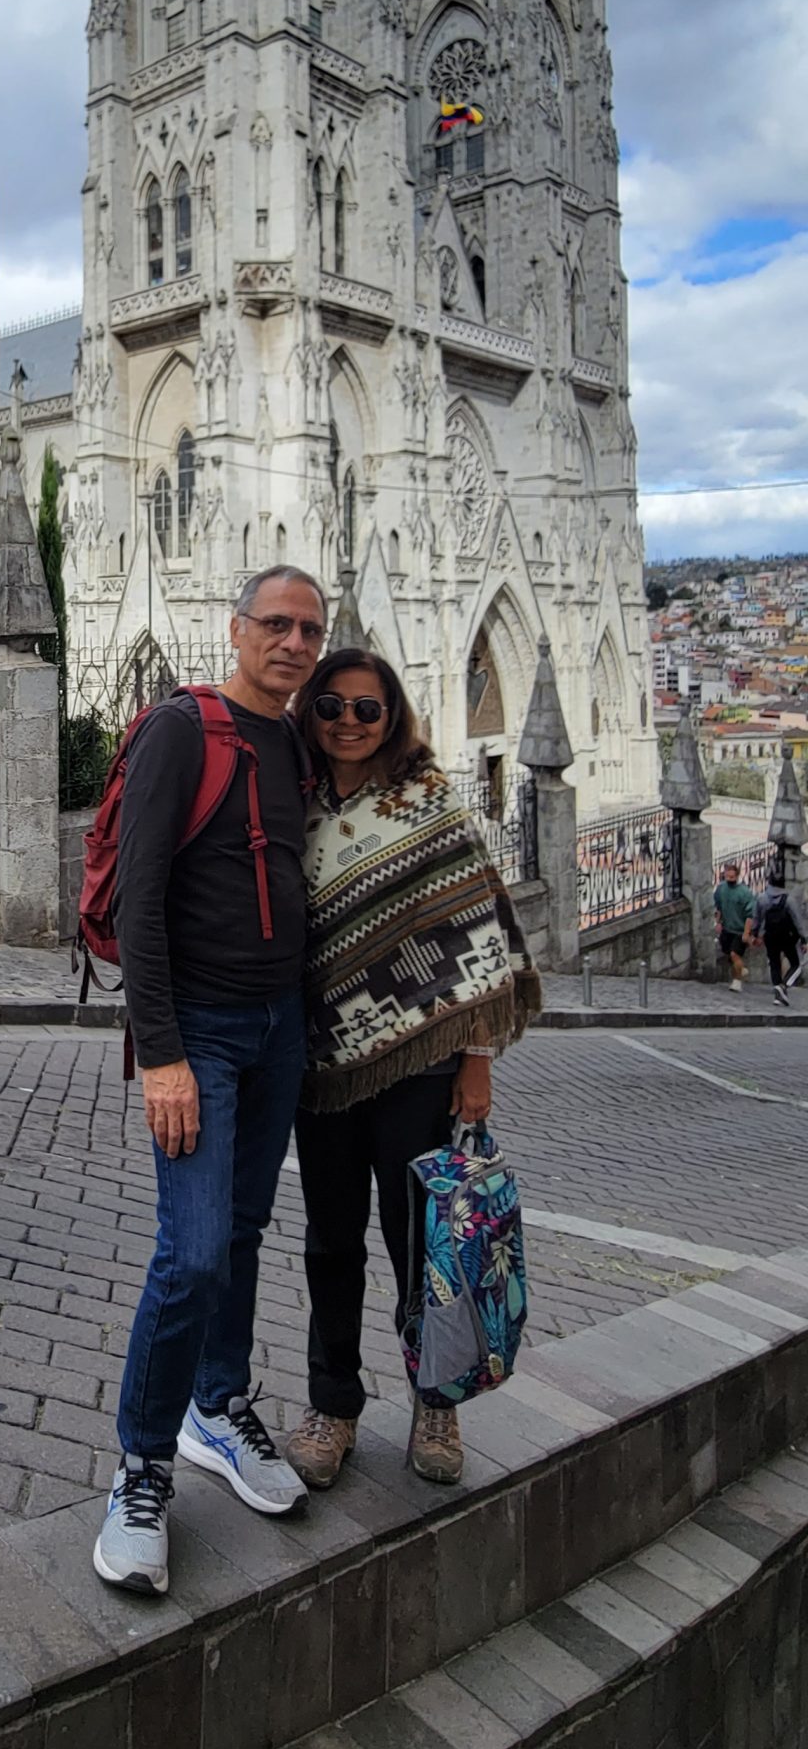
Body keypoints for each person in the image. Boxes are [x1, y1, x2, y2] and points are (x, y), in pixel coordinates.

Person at [93, 567, 324, 1596]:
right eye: (275, 624)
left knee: (237, 1235)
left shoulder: (294, 740)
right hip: (205, 1035)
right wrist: (164, 1052)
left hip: (280, 1031)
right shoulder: (184, 728)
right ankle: (140, 1465)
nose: (292, 642)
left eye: (309, 629)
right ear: (236, 631)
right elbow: (140, 898)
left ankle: (217, 1407)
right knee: (187, 1256)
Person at [284, 647, 541, 1491]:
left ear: (393, 716)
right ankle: (334, 1405)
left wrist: (476, 1063)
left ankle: (437, 1400)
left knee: (418, 1242)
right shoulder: (290, 800)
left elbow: (481, 931)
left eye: (368, 709)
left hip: (422, 1065)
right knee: (331, 1242)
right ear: (309, 712)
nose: (349, 724)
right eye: (332, 707)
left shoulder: (427, 799)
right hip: (322, 1063)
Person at [748, 863, 808, 1008]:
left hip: (770, 936)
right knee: (796, 965)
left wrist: (755, 935)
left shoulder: (762, 898)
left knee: (774, 964)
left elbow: (756, 918)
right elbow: (797, 920)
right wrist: (804, 939)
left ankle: (778, 996)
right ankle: (784, 986)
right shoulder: (789, 900)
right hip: (786, 936)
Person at [713, 859, 754, 995]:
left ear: (737, 877)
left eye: (732, 877)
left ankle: (737, 982)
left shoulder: (744, 893)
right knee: (727, 952)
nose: (730, 879)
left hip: (739, 930)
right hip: (727, 928)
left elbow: (750, 915)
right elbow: (718, 907)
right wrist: (718, 922)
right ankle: (741, 970)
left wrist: (746, 933)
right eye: (727, 876)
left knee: (734, 954)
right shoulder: (721, 889)